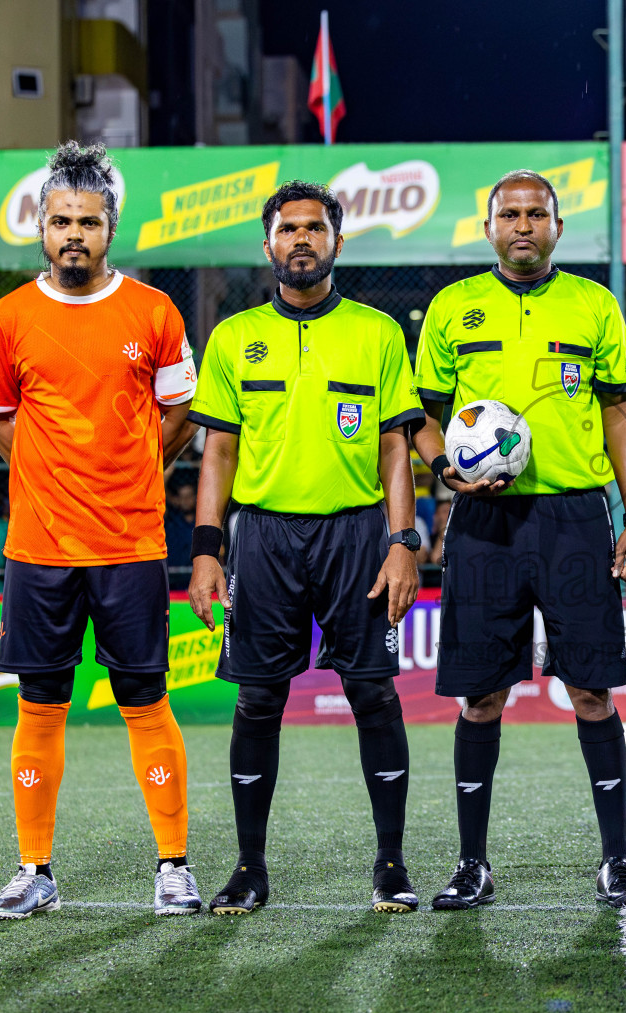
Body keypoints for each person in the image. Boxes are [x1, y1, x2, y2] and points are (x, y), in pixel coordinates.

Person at [0, 141, 202, 920]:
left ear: (113, 228)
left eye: (89, 222)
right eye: (61, 220)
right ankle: (34, 870)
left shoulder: (154, 312)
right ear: (41, 226)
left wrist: (131, 468)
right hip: (38, 548)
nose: (75, 233)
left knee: (145, 697)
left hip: (132, 544)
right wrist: (48, 477)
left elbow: (179, 418)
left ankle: (173, 865)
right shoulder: (8, 318)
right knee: (40, 704)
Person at [411, 169, 626, 910]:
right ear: (488, 228)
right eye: (508, 213)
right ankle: (471, 864)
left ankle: (615, 860)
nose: (523, 225)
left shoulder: (593, 304)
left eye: (536, 213)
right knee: (481, 696)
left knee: (590, 690)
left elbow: (619, 416)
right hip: (484, 526)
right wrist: (445, 467)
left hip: (576, 520)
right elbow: (419, 418)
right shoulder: (453, 309)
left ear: (556, 225)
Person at [186, 180, 425, 916]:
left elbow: (395, 449)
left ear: (337, 243)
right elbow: (218, 455)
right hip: (262, 537)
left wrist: (403, 541)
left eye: (314, 228)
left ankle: (390, 864)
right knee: (258, 701)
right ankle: (249, 868)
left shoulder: (378, 332)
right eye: (287, 228)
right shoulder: (232, 338)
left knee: (374, 694)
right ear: (268, 245)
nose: (300, 239)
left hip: (356, 534)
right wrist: (206, 550)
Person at [163, 478, 196, 581]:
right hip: (173, 581)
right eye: (182, 497)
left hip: (195, 579)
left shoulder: (201, 521)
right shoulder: (172, 521)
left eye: (188, 496)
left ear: (195, 497)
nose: (185, 500)